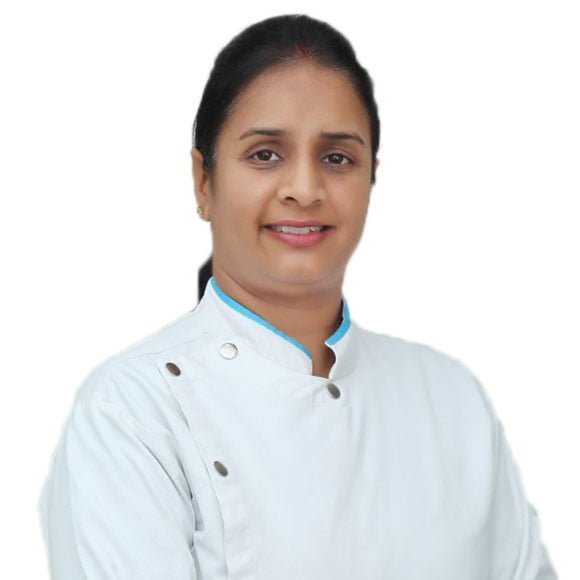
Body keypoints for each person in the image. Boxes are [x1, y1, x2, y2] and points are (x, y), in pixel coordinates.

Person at [37, 13, 558, 580]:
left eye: (337, 158)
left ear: (370, 179)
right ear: (204, 181)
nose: (305, 190)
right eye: (265, 154)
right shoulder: (134, 411)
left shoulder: (451, 398)